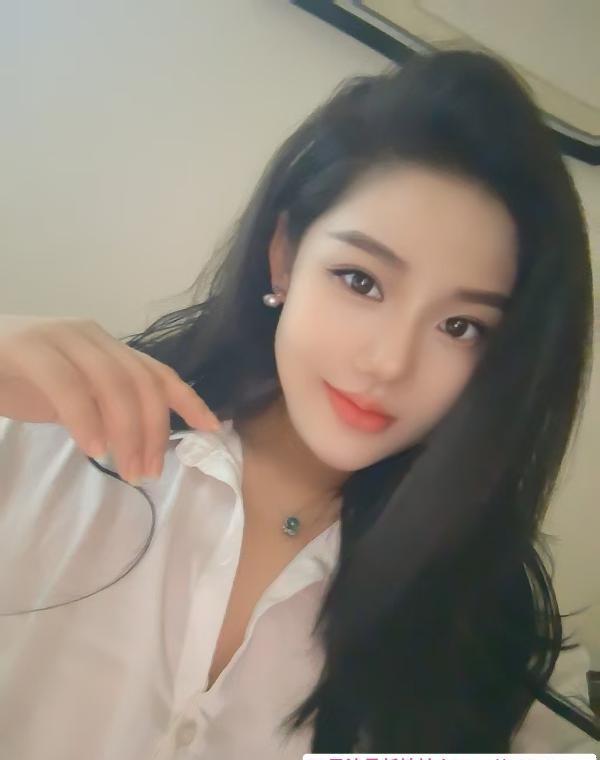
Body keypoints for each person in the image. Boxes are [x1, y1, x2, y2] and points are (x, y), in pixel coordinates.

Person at [0, 49, 598, 757]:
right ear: (284, 255)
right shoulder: (45, 440)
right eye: (361, 281)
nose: (389, 363)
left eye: (460, 326)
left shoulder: (488, 631)